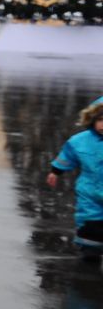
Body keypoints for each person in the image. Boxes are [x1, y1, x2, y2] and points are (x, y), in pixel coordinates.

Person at [48, 98, 103, 266]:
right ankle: (90, 250)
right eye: (101, 120)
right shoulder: (81, 140)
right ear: (92, 119)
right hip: (90, 191)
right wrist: (56, 171)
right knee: (89, 221)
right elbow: (68, 156)